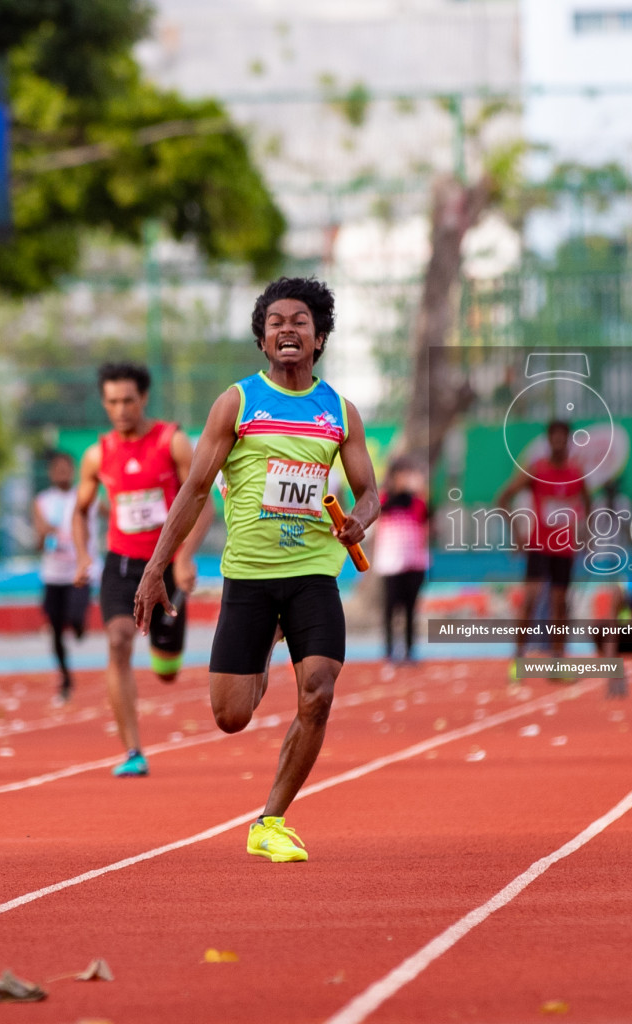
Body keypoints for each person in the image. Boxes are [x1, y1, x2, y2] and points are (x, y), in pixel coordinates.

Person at [133, 276, 379, 863]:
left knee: (318, 692)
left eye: (299, 321)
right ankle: (268, 642)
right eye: (275, 323)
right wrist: (155, 567)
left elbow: (369, 491)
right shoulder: (237, 402)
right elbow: (195, 490)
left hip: (315, 573)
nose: (287, 329)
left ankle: (270, 819)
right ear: (262, 339)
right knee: (230, 716)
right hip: (248, 576)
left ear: (319, 337)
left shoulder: (340, 411)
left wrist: (360, 520)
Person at [72, 362, 212, 778]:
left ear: (143, 398)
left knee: (166, 670)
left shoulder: (173, 442)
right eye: (112, 401)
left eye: (128, 400)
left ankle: (167, 654)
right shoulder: (97, 454)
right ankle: (133, 750)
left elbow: (201, 500)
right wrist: (83, 556)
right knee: (117, 640)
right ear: (104, 402)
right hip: (121, 563)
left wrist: (185, 557)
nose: (121, 409)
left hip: (167, 565)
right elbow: (79, 512)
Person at [495, 420, 587, 660]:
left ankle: (558, 658)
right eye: (553, 437)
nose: (558, 441)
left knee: (559, 604)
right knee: (531, 599)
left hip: (564, 549)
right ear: (548, 440)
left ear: (568, 440)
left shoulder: (576, 473)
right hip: (539, 546)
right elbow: (502, 498)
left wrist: (585, 535)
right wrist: (517, 533)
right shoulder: (537, 470)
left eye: (562, 437)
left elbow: (587, 505)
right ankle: (518, 656)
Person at [33, 451, 96, 704]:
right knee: (56, 629)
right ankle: (65, 678)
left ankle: (80, 626)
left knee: (75, 616)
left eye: (66, 469)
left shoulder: (86, 494)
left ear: (74, 470)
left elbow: (110, 513)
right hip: (53, 573)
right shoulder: (42, 501)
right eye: (57, 469)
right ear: (50, 473)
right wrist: (44, 534)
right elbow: (38, 540)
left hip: (80, 570)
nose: (62, 474)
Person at [372, 460, 429, 664]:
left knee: (410, 610)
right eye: (403, 475)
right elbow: (380, 512)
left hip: (414, 563)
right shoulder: (385, 499)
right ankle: (388, 651)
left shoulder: (419, 502)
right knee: (390, 609)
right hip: (390, 563)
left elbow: (428, 522)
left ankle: (410, 650)